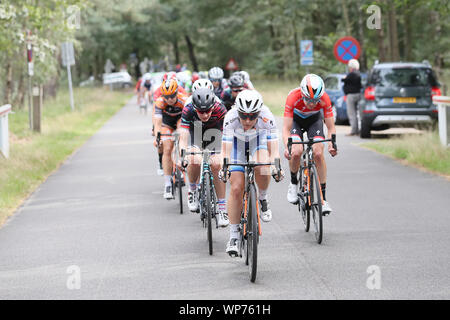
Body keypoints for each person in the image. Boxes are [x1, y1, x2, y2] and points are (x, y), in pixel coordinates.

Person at [221, 90, 283, 256]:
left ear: (259, 112)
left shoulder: (266, 116)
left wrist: (276, 167)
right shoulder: (231, 117)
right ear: (238, 112)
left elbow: (274, 151)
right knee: (236, 188)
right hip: (236, 146)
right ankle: (234, 235)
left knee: (263, 166)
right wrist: (225, 166)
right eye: (244, 116)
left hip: (258, 143)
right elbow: (225, 151)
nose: (247, 121)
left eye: (252, 116)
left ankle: (262, 197)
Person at [282, 74, 337, 215]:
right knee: (296, 150)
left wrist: (332, 144)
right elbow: (286, 129)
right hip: (296, 121)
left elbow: (330, 127)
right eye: (308, 99)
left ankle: (323, 199)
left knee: (318, 152)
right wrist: (287, 147)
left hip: (314, 120)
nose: (311, 104)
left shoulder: (325, 99)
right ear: (302, 93)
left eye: (315, 100)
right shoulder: (293, 97)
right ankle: (294, 183)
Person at [179, 87, 229, 227]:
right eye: (201, 112)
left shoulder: (220, 109)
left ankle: (222, 208)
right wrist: (182, 155)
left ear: (213, 106)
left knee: (216, 164)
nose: (205, 114)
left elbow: (227, 137)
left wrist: (224, 156)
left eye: (208, 110)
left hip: (216, 135)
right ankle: (193, 190)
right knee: (194, 160)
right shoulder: (188, 110)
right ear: (195, 108)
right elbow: (183, 138)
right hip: (196, 134)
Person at [153, 78, 188, 199]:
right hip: (166, 123)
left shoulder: (184, 100)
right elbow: (157, 123)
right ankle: (167, 184)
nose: (169, 99)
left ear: (177, 92)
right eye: (166, 97)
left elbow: (189, 120)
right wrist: (158, 137)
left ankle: (181, 168)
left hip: (180, 121)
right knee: (167, 148)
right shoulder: (159, 102)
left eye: (172, 96)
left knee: (181, 137)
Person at [342, 59, 362, 136]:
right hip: (358, 95)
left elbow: (343, 79)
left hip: (351, 96)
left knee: (352, 113)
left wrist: (344, 78)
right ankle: (357, 130)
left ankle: (354, 131)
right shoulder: (358, 74)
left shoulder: (352, 74)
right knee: (358, 114)